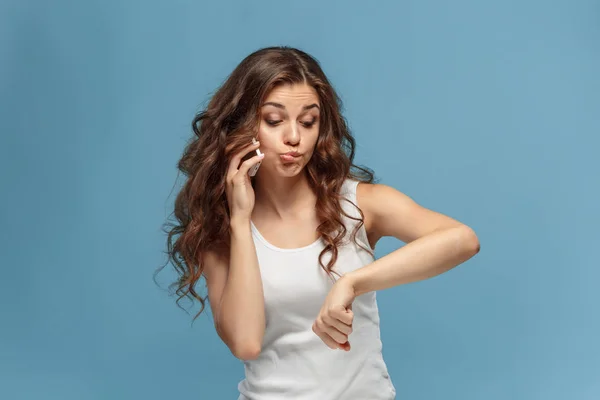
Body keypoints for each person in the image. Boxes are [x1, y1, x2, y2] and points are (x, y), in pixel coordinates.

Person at [162, 46, 480, 399]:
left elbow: (462, 239)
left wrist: (352, 283)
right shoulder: (222, 232)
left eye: (308, 121)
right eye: (274, 120)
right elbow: (247, 343)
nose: (294, 137)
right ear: (244, 126)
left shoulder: (358, 204)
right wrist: (240, 220)